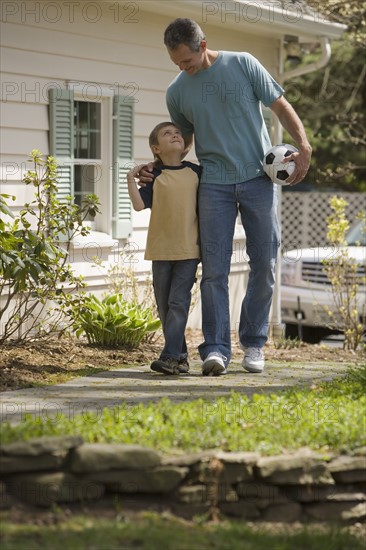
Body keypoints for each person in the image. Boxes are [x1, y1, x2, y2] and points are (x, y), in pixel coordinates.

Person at [138, 18, 312, 377]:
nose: (183, 69)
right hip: (213, 183)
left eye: (187, 61)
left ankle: (254, 343)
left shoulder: (243, 63)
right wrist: (155, 167)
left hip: (257, 179)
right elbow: (181, 145)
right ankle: (215, 349)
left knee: (263, 264)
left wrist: (305, 145)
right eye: (177, 64)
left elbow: (279, 104)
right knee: (214, 271)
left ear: (202, 46)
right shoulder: (178, 91)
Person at [127, 121, 202, 375]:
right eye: (167, 134)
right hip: (160, 251)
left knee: (178, 303)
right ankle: (180, 358)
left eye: (177, 133)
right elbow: (139, 206)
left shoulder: (196, 173)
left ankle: (170, 356)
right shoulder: (154, 176)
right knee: (165, 306)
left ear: (185, 146)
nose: (175, 135)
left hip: (188, 251)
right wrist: (130, 178)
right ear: (155, 148)